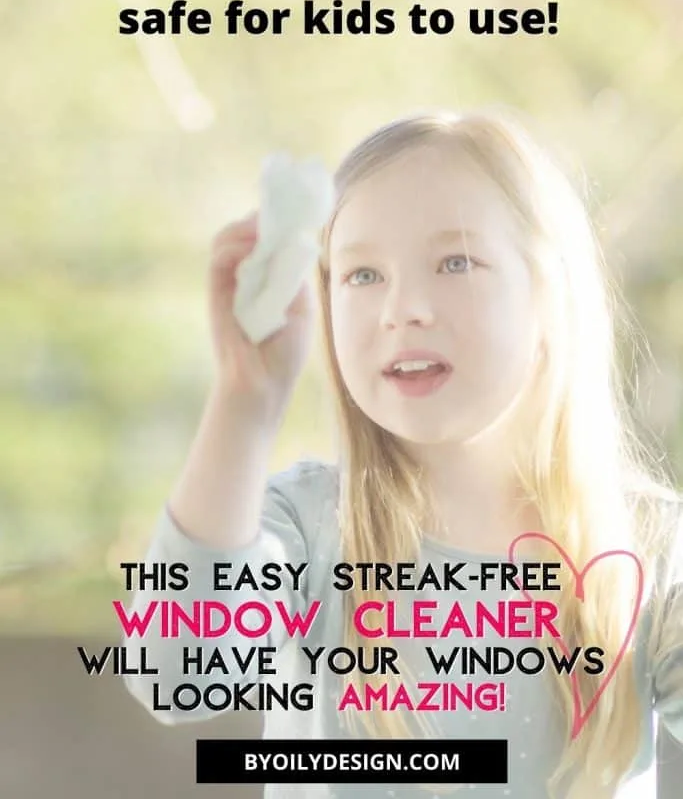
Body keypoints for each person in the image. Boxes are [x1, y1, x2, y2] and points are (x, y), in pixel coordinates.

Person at [123, 112, 683, 799]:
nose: (404, 308)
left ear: (547, 295)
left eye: (455, 263)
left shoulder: (651, 550)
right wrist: (245, 399)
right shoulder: (303, 527)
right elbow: (176, 674)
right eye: (361, 275)